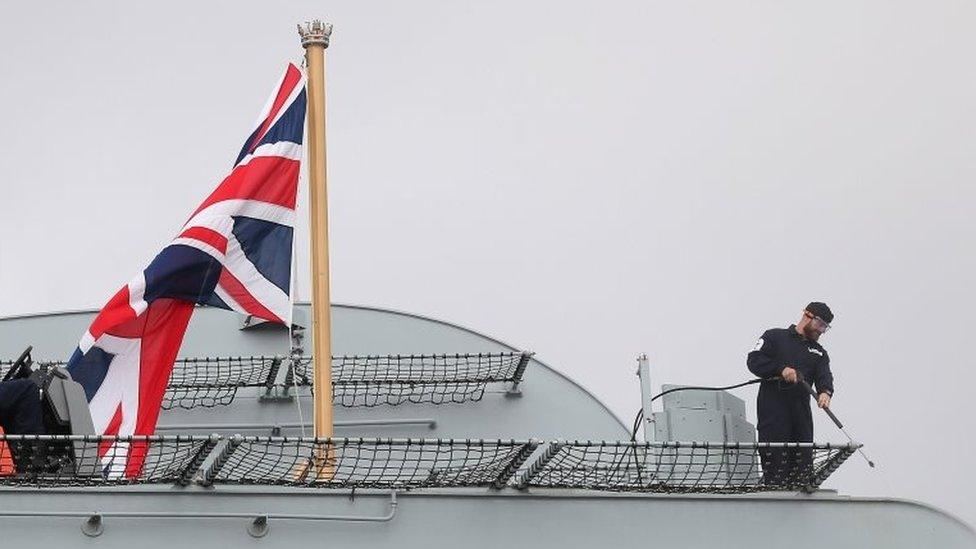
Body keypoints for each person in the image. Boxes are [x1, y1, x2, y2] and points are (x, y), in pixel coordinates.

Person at [747, 302, 834, 485]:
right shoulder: (774, 336)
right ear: (807, 315)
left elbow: (824, 376)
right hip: (773, 414)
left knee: (802, 469)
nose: (821, 331)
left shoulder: (819, 353)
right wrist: (781, 370)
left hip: (801, 417)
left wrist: (825, 392)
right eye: (820, 324)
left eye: (825, 327)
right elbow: (754, 360)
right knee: (776, 465)